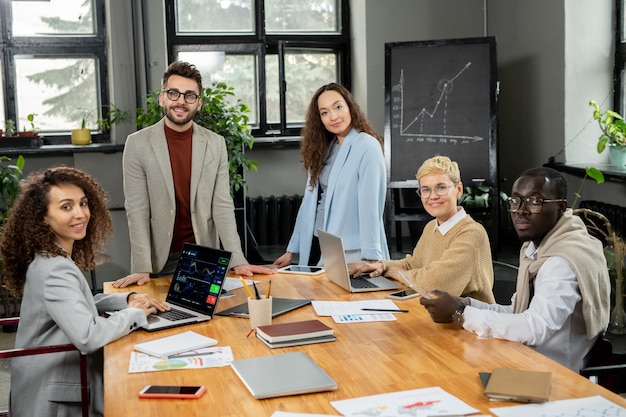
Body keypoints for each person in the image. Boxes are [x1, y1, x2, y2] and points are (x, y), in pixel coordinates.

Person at [0, 166, 169, 417]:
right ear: (43, 217)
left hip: (42, 383)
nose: (80, 214)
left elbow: (76, 303)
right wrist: (134, 314)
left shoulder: (49, 257)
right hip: (55, 397)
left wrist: (127, 299)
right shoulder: (56, 269)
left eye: (83, 203)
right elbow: (88, 337)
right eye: (66, 207)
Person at [420, 167, 610, 372]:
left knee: (442, 369)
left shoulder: (561, 261)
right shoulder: (537, 248)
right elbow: (518, 311)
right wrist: (464, 303)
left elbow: (534, 327)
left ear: (561, 207)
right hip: (523, 357)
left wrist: (460, 313)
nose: (521, 210)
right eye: (516, 200)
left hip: (550, 376)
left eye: (535, 201)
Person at [114, 60, 273, 288]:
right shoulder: (137, 144)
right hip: (159, 259)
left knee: (211, 322)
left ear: (198, 104)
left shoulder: (215, 144)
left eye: (189, 95)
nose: (181, 101)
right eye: (173, 93)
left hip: (203, 256)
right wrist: (141, 266)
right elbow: (136, 209)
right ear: (162, 97)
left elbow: (222, 205)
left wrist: (237, 259)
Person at [273, 83, 389, 267]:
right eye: (324, 112)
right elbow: (309, 202)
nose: (333, 116)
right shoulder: (324, 148)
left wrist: (373, 257)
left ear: (350, 107)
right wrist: (292, 250)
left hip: (348, 249)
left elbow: (370, 206)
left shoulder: (367, 145)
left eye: (338, 107)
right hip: (314, 240)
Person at [350, 156, 495, 303]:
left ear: (458, 190)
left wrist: (402, 275)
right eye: (426, 190)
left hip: (469, 321)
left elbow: (437, 283)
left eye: (441, 188)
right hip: (439, 312)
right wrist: (383, 265)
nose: (432, 196)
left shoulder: (472, 233)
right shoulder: (432, 227)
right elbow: (414, 264)